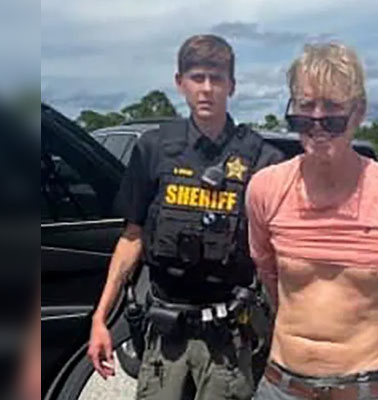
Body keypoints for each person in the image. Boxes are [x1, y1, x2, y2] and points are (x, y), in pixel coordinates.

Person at [87, 34, 283, 400]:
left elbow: (276, 255)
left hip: (228, 337)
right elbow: (132, 237)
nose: (206, 88)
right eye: (197, 77)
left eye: (217, 78)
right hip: (166, 335)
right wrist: (100, 319)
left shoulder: (263, 160)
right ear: (180, 82)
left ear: (232, 85)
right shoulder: (153, 148)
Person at [246, 42, 378, 400]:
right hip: (280, 383)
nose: (317, 121)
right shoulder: (265, 188)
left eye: (332, 107)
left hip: (361, 384)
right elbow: (269, 275)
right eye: (306, 106)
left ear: (358, 112)